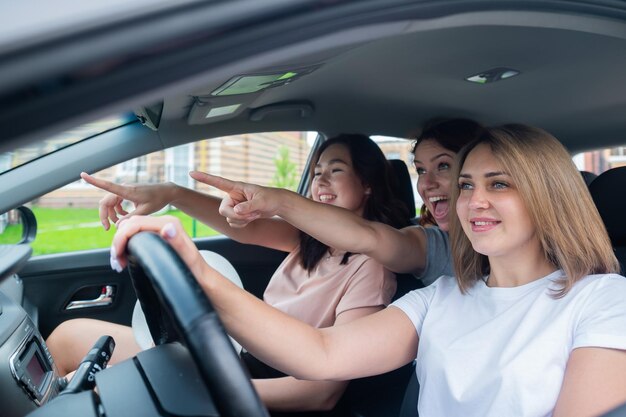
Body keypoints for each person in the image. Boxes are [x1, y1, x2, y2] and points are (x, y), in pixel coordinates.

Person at [110, 124, 626, 417]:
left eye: (499, 184)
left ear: (548, 195)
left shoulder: (602, 299)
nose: (474, 201)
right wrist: (198, 272)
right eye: (467, 185)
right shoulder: (439, 297)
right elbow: (321, 352)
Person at [46, 134, 411, 416]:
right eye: (316, 173)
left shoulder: (372, 268)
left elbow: (321, 394)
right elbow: (241, 228)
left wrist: (218, 384)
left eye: (336, 170)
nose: (320, 182)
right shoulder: (310, 239)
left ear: (368, 184)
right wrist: (171, 193)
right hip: (230, 354)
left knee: (106, 396)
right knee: (68, 338)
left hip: (256, 388)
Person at [195, 118, 483, 286]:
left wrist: (281, 201)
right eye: (420, 170)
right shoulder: (426, 240)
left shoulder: (377, 263)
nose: (426, 182)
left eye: (443, 166)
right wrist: (172, 194)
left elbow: (369, 238)